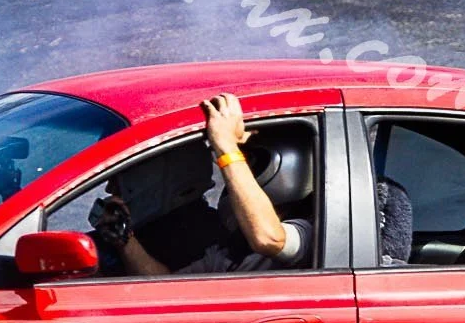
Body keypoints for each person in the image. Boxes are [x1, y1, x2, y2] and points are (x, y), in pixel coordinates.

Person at [89, 94, 313, 275]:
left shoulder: (313, 233)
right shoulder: (232, 251)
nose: (233, 178)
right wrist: (124, 238)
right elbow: (163, 288)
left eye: (248, 163)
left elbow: (269, 238)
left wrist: (225, 146)